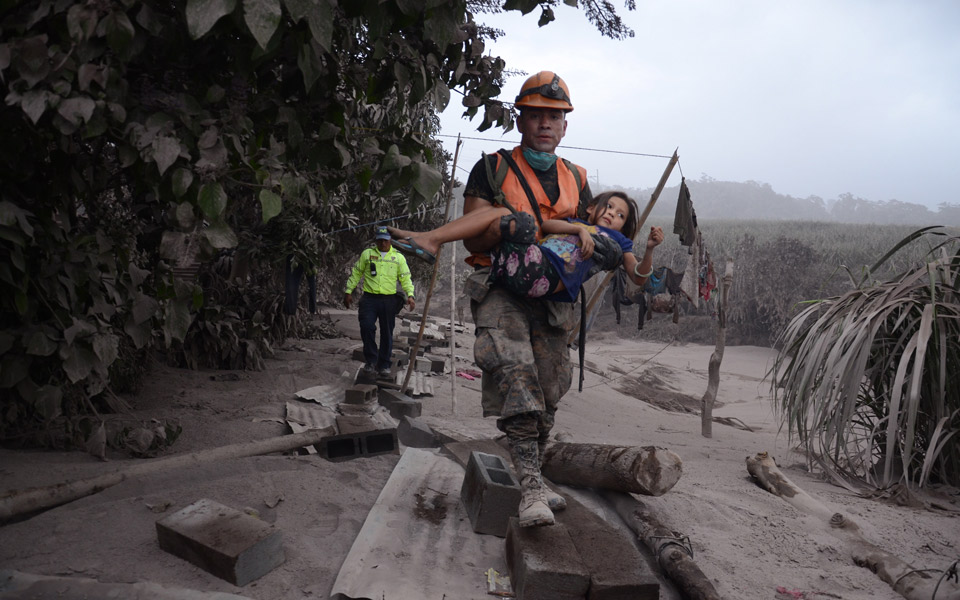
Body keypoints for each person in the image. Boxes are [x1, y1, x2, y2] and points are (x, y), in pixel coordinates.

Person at [441, 71, 660, 528]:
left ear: (565, 127)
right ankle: (532, 489)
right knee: (516, 374)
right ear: (520, 120)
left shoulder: (577, 180)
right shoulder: (493, 168)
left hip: (555, 298)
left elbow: (590, 243)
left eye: (554, 117)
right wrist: (509, 230)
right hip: (501, 286)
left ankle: (532, 474)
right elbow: (472, 240)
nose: (545, 124)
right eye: (536, 114)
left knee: (550, 385)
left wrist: (601, 247)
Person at [388, 191, 664, 302]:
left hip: (544, 276)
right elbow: (547, 226)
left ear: (624, 227)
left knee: (507, 218)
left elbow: (638, 277)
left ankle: (431, 239)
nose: (612, 214)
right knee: (503, 217)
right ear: (592, 207)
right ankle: (429, 238)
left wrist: (649, 249)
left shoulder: (618, 241)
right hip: (524, 263)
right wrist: (580, 229)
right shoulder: (576, 223)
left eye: (620, 216)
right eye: (610, 206)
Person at [343, 226, 416, 379]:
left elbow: (405, 278)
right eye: (380, 240)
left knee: (387, 332)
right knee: (366, 327)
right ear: (376, 240)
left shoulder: (398, 258)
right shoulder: (367, 254)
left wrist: (410, 295)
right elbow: (357, 273)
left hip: (388, 300)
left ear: (390, 240)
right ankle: (370, 360)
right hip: (369, 299)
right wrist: (348, 291)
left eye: (385, 240)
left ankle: (384, 364)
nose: (382, 243)